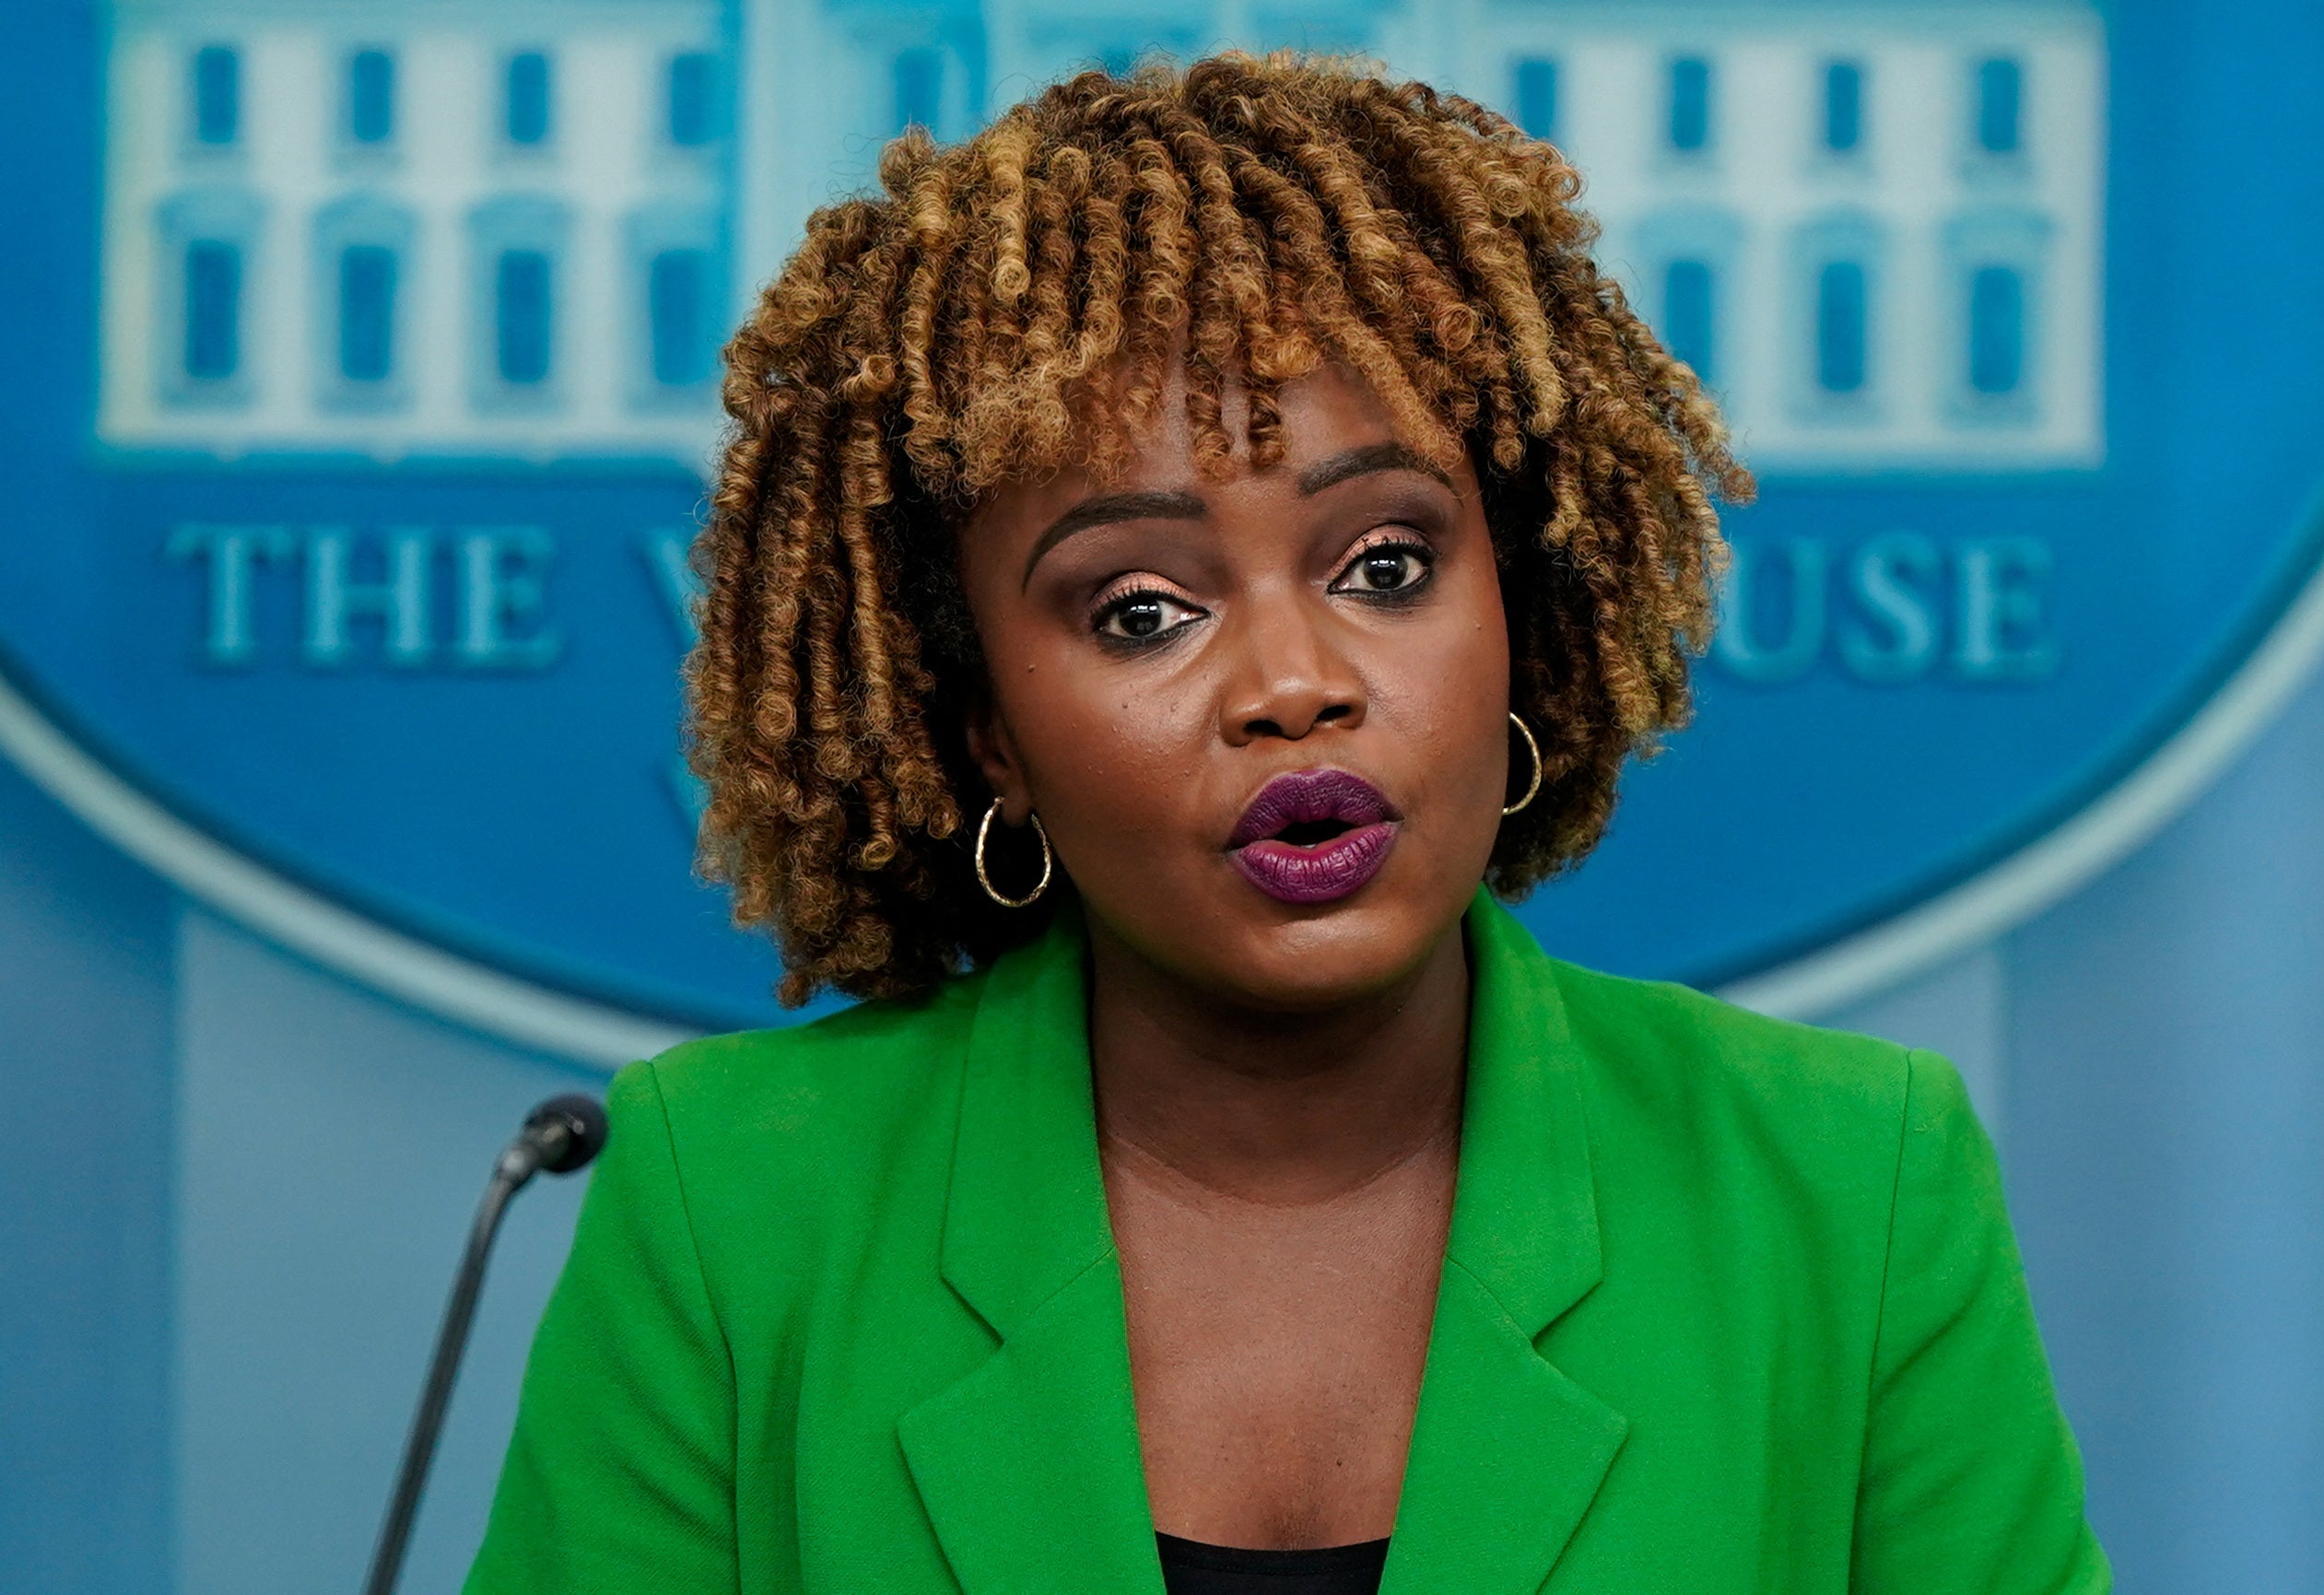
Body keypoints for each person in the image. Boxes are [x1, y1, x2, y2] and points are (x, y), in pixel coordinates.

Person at [466, 53, 2109, 1595]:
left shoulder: (1851, 1187)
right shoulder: (734, 1211)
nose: (1294, 683)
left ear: (1520, 616)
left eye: (1384, 566)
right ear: (993, 738)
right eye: (1140, 610)